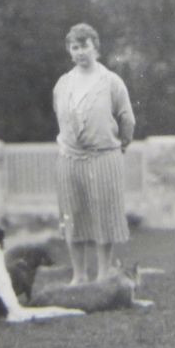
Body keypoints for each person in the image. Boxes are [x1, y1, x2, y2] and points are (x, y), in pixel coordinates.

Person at [52, 22, 135, 285]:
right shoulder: (63, 84)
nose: (80, 52)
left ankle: (103, 273)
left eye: (84, 46)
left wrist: (121, 144)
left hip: (104, 157)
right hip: (69, 159)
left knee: (104, 216)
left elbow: (127, 119)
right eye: (74, 47)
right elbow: (61, 117)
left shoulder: (111, 81)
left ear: (95, 47)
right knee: (72, 216)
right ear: (69, 51)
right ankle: (79, 275)